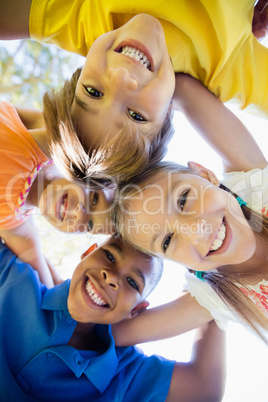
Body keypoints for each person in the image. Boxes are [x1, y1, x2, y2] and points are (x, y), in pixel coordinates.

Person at [0, 0, 267, 183]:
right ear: (168, 113)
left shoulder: (80, 17)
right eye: (136, 116)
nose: (120, 77)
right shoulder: (226, 69)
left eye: (93, 92)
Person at [113, 74, 268, 344]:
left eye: (183, 200)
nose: (196, 231)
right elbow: (115, 335)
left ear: (206, 175)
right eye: (168, 240)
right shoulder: (213, 296)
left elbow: (182, 89)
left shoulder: (254, 183)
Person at [0, 235, 226, 401]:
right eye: (109, 255)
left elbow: (205, 389)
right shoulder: (14, 275)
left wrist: (213, 279)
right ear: (87, 252)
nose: (111, 277)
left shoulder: (125, 373)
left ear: (136, 310)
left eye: (132, 283)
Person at [0, 100, 114, 288]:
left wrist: (59, 285)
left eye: (90, 224)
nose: (80, 213)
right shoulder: (43, 143)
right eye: (94, 198)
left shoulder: (14, 220)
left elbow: (36, 260)